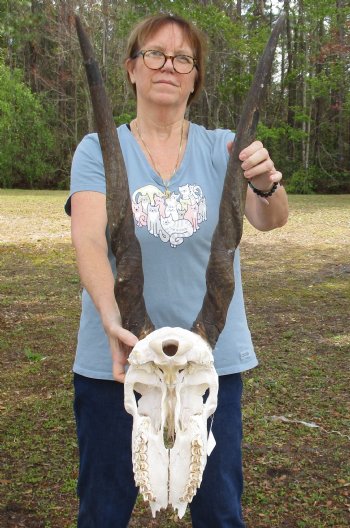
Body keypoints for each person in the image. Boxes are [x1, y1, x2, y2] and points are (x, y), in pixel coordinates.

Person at [65, 13, 288, 528]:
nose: (169, 65)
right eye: (154, 54)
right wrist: (108, 316)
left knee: (218, 510)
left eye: (183, 58)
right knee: (102, 510)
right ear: (131, 69)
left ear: (195, 76)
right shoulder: (97, 149)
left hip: (209, 364)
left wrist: (265, 180)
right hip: (118, 362)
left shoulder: (223, 148)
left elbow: (269, 220)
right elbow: (89, 240)